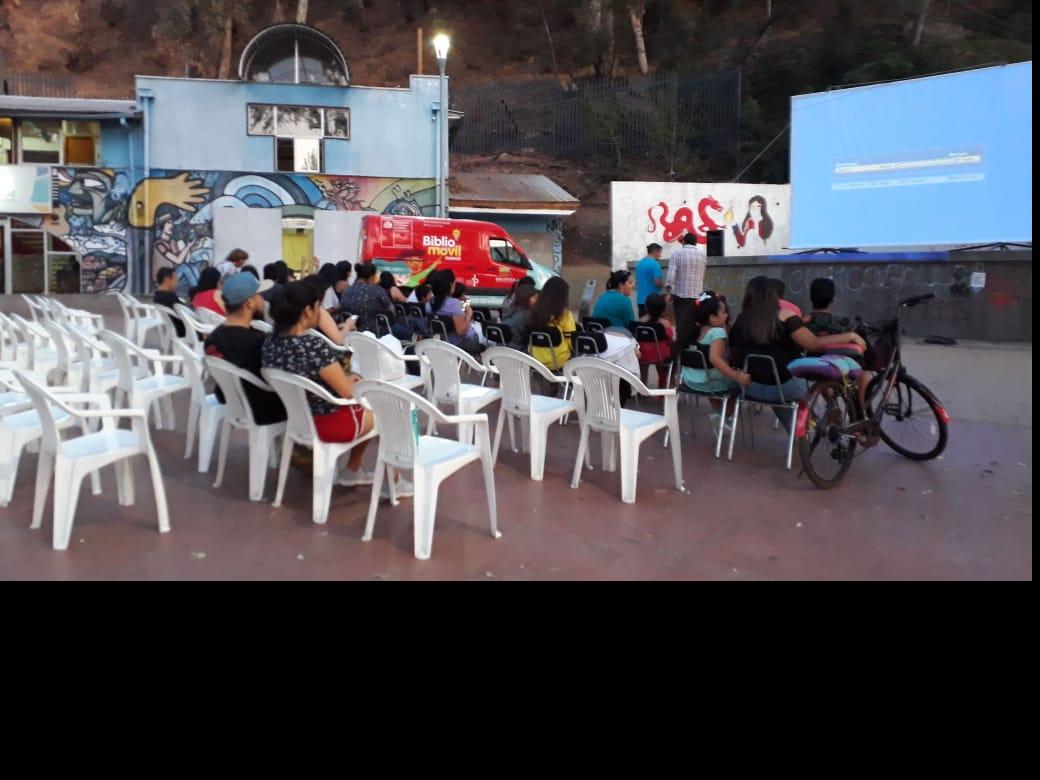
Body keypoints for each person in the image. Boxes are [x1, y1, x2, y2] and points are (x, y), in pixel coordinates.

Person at [262, 280, 411, 495]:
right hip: (327, 421)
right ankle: (393, 483)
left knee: (369, 404)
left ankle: (354, 469)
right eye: (318, 307)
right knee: (389, 412)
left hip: (298, 419)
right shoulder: (313, 346)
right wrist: (354, 380)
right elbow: (346, 391)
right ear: (307, 310)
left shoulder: (271, 343)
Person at [728, 276, 866, 430]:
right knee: (820, 377)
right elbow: (814, 345)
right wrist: (851, 336)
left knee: (775, 379)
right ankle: (828, 416)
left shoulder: (740, 320)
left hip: (749, 388)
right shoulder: (785, 316)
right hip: (784, 388)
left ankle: (798, 430)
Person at [203, 273, 286, 426]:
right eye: (259, 295)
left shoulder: (212, 338)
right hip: (261, 409)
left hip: (229, 400)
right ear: (249, 303)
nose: (263, 299)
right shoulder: (258, 341)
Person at [675, 294, 750, 435]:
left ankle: (720, 418)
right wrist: (737, 376)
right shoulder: (717, 332)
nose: (726, 315)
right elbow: (715, 359)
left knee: (713, 384)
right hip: (710, 383)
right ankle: (721, 417)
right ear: (712, 318)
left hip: (690, 382)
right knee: (738, 388)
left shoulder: (690, 331)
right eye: (723, 312)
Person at [340, 262, 404, 336]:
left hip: (351, 332)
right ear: (371, 276)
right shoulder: (377, 290)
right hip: (375, 332)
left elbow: (342, 305)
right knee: (405, 331)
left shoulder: (348, 290)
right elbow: (390, 308)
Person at [427, 275, 484, 354]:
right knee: (487, 340)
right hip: (461, 343)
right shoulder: (453, 304)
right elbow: (461, 331)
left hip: (441, 342)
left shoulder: (429, 303)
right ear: (450, 286)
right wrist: (469, 314)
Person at [527, 276, 575, 369]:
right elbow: (571, 341)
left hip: (535, 359)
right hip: (558, 361)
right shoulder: (565, 314)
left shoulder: (534, 311)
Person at [666, 232, 707, 331]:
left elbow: (671, 277)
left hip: (681, 295)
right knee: (694, 322)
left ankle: (682, 344)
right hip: (697, 296)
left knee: (681, 323)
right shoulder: (702, 255)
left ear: (683, 241)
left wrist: (669, 293)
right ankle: (692, 344)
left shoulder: (677, 254)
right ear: (695, 243)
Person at [636, 293, 675, 387]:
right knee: (665, 359)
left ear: (646, 307)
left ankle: (642, 387)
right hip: (661, 355)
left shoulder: (640, 322)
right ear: (663, 309)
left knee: (643, 366)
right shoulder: (665, 324)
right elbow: (670, 341)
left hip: (644, 355)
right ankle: (662, 387)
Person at [500, 284, 537, 349]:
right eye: (535, 298)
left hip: (502, 349)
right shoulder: (527, 316)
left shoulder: (511, 310)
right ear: (526, 298)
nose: (537, 300)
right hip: (519, 352)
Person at [153, 267, 185, 337]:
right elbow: (185, 312)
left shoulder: (158, 296)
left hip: (175, 329)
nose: (177, 282)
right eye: (175, 279)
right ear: (167, 280)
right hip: (185, 330)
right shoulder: (169, 297)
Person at [635, 243, 665, 316]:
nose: (660, 256)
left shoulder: (639, 264)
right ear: (655, 251)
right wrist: (665, 286)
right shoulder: (655, 264)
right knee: (654, 325)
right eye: (659, 253)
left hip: (640, 301)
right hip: (653, 303)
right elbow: (657, 283)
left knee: (643, 325)